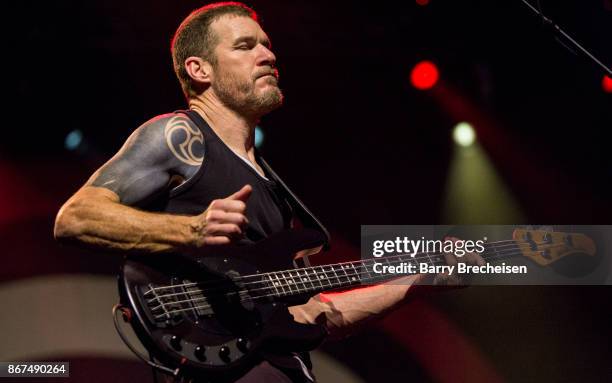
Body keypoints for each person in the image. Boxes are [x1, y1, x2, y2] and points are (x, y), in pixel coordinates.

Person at [54, 2, 482, 382]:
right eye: (245, 46)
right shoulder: (180, 135)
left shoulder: (274, 191)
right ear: (199, 69)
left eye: (267, 44)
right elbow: (75, 218)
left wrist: (415, 282)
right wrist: (191, 230)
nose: (268, 55)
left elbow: (310, 314)